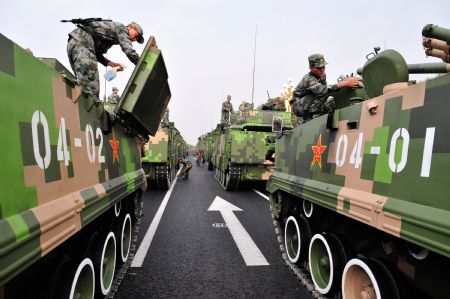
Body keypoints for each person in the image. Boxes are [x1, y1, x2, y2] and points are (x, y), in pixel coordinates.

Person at [67, 20, 144, 99]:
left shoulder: (110, 37)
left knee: (83, 84)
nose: (135, 39)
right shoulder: (122, 28)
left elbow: (96, 54)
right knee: (91, 89)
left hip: (75, 43)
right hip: (83, 43)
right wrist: (142, 64)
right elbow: (129, 51)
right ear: (131, 27)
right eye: (137, 35)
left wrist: (111, 63)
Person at [290, 54, 359, 123]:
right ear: (311, 68)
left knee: (331, 102)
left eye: (323, 67)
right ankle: (309, 118)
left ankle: (321, 116)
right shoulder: (308, 79)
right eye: (319, 68)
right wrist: (344, 83)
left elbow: (327, 91)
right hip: (299, 106)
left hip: (310, 103)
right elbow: (322, 90)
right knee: (322, 93)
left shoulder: (322, 75)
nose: (322, 70)